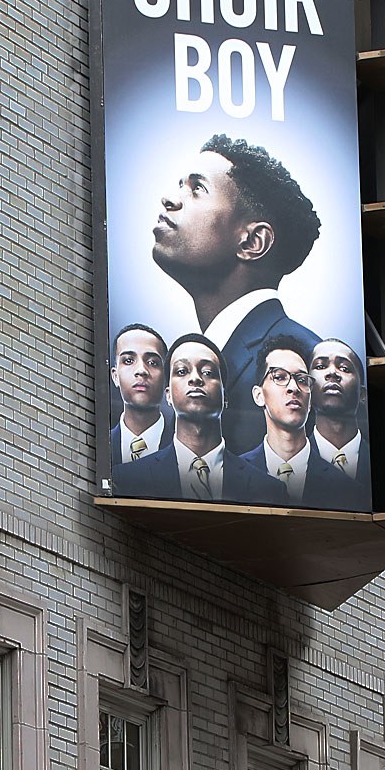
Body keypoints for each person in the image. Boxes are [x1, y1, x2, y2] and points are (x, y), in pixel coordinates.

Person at [148, 134, 322, 454]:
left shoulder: (309, 363)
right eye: (180, 184)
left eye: (197, 189)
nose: (169, 200)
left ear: (252, 242)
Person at [110, 334, 282, 505]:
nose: (195, 378)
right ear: (168, 395)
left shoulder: (269, 489)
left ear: (225, 396)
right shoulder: (126, 479)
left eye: (208, 372)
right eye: (182, 371)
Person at [233, 337, 332, 506]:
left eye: (302, 379)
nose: (293, 387)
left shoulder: (344, 485)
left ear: (310, 401)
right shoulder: (230, 477)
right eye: (279, 377)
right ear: (258, 395)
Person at [307, 337, 370, 511]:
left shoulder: (384, 464)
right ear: (306, 386)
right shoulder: (288, 465)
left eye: (344, 368)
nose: (332, 373)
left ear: (362, 394)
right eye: (320, 366)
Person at [98, 322, 171, 469]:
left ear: (166, 377)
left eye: (152, 362)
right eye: (129, 360)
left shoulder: (186, 451)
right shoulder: (97, 446)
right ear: (115, 376)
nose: (141, 370)